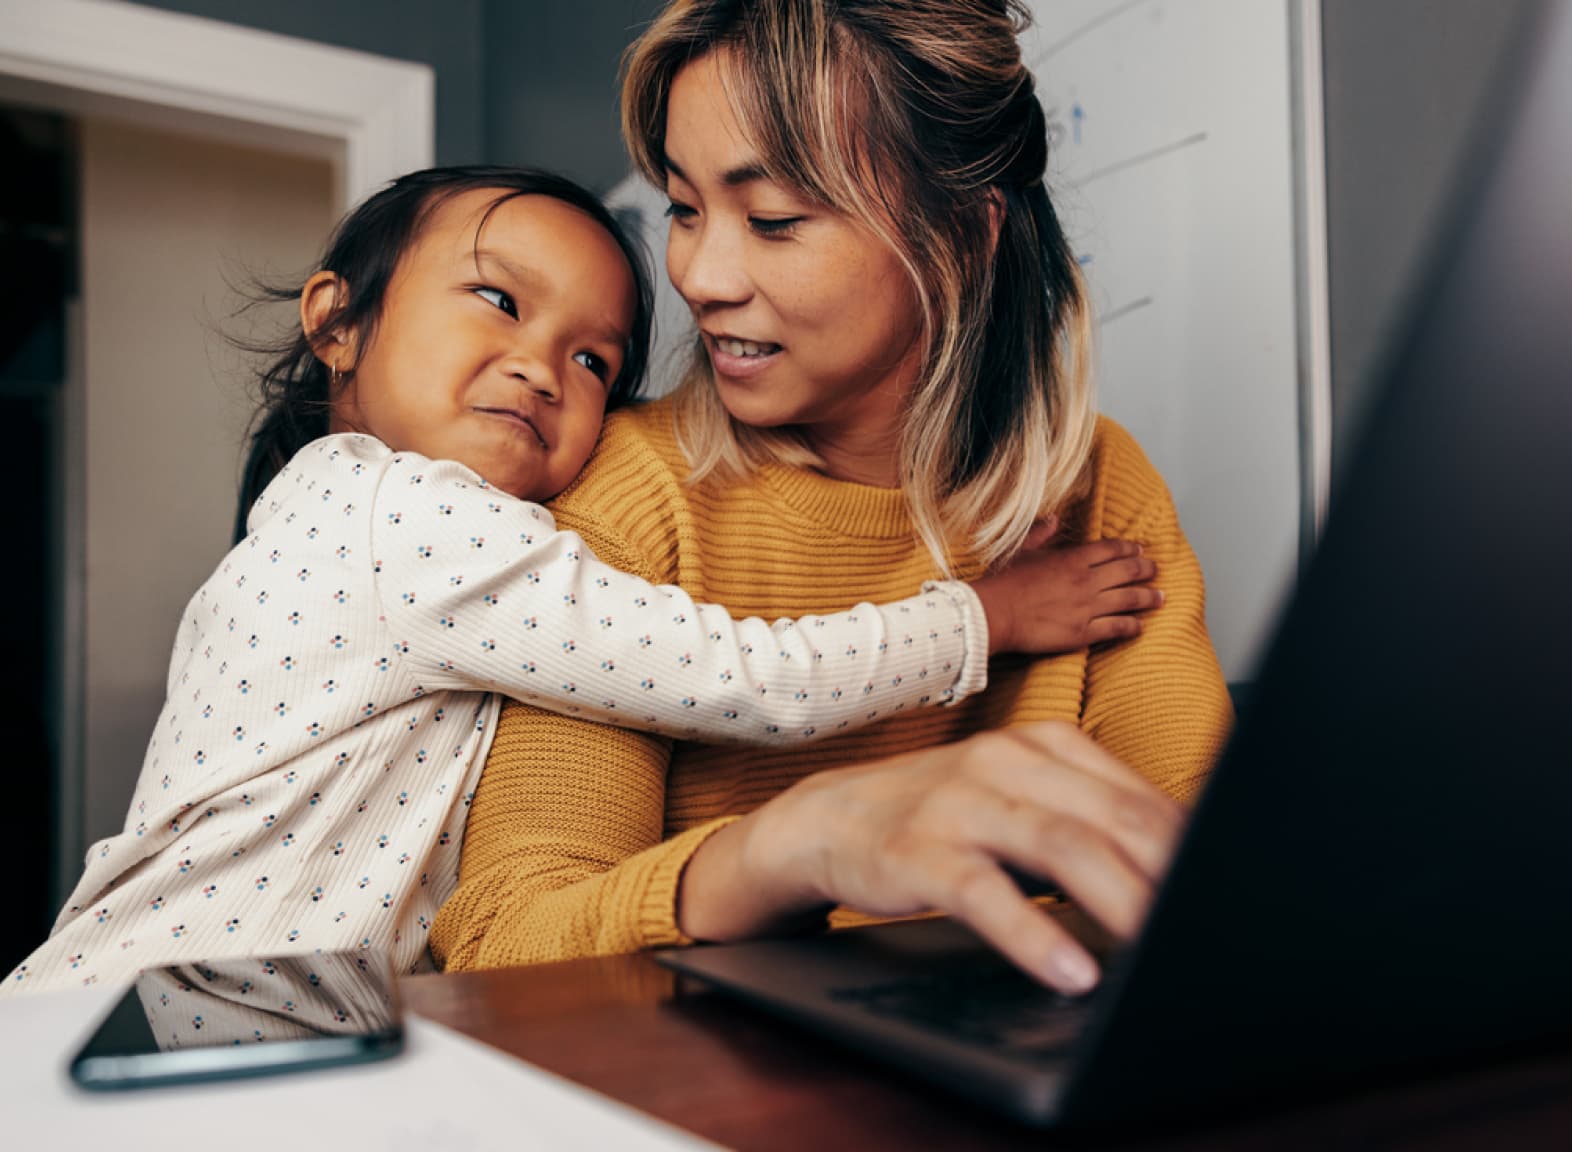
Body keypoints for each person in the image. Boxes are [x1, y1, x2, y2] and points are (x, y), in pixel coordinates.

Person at [2, 164, 1162, 997]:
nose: (541, 367)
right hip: (131, 1016)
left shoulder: (366, 521)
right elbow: (731, 670)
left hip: (238, 1024)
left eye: (595, 358)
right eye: (500, 301)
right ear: (337, 323)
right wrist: (980, 619)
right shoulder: (393, 509)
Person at [428, 0, 1235, 997]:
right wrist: (792, 847)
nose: (700, 275)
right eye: (683, 209)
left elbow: (1208, 879)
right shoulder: (628, 500)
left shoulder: (1100, 483)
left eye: (772, 220)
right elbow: (505, 943)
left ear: (962, 236)